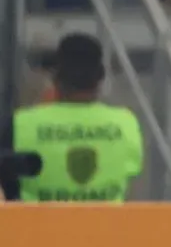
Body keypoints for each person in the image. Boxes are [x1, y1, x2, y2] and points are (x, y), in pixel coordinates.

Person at [0, 33, 144, 202]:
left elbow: (8, 187)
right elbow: (131, 171)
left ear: (56, 77)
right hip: (105, 227)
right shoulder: (125, 123)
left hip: (40, 227)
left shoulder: (21, 124)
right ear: (101, 77)